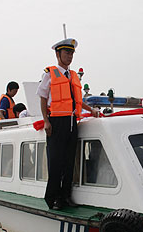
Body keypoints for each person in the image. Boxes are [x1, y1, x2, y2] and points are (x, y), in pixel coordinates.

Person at [36, 38, 99, 210]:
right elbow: (42, 97)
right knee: (56, 162)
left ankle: (66, 197)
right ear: (58, 54)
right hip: (57, 122)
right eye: (66, 53)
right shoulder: (50, 74)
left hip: (72, 121)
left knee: (69, 161)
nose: (69, 56)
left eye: (71, 53)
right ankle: (53, 198)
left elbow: (76, 100)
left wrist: (91, 109)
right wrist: (46, 121)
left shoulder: (72, 76)